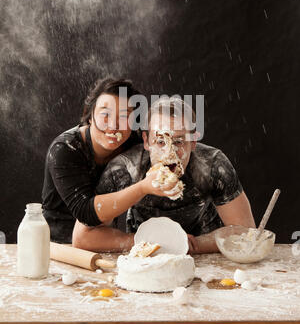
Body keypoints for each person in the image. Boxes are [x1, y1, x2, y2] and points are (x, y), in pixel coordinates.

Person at [72, 96, 255, 253]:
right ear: (146, 141)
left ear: (193, 142)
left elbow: (246, 232)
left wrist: (195, 245)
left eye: (179, 141)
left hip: (204, 257)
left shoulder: (214, 164)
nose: (170, 153)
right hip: (145, 255)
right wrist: (147, 243)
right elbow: (82, 238)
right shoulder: (124, 169)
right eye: (160, 141)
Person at [42, 77, 146, 243]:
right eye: (105, 114)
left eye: (124, 116)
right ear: (90, 116)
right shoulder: (65, 148)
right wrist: (143, 188)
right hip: (56, 245)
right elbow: (86, 212)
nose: (113, 125)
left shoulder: (133, 144)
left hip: (103, 240)